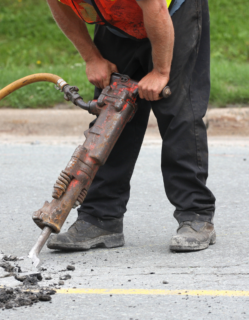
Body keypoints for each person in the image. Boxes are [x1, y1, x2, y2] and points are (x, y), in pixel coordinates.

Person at [46, 0, 216, 252]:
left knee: (178, 114)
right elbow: (59, 5)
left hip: (171, 12)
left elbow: (155, 6)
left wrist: (160, 72)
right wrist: (92, 57)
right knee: (111, 112)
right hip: (118, 21)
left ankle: (196, 215)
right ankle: (101, 218)